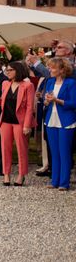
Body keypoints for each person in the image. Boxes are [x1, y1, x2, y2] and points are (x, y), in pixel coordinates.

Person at [0, 61, 36, 186]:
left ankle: (21, 175)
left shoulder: (28, 86)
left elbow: (30, 107)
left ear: (17, 71)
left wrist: (27, 125)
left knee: (21, 149)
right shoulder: (5, 84)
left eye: (10, 70)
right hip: (5, 121)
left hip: (20, 122)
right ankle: (6, 174)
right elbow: (2, 103)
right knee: (5, 148)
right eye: (6, 70)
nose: (7, 72)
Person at [43, 57, 76, 191]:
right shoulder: (50, 82)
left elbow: (73, 103)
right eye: (49, 67)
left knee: (64, 152)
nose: (50, 69)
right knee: (54, 153)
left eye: (53, 67)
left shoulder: (71, 83)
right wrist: (46, 102)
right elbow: (46, 102)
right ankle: (54, 180)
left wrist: (57, 100)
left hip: (66, 121)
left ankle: (64, 182)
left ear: (62, 70)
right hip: (51, 120)